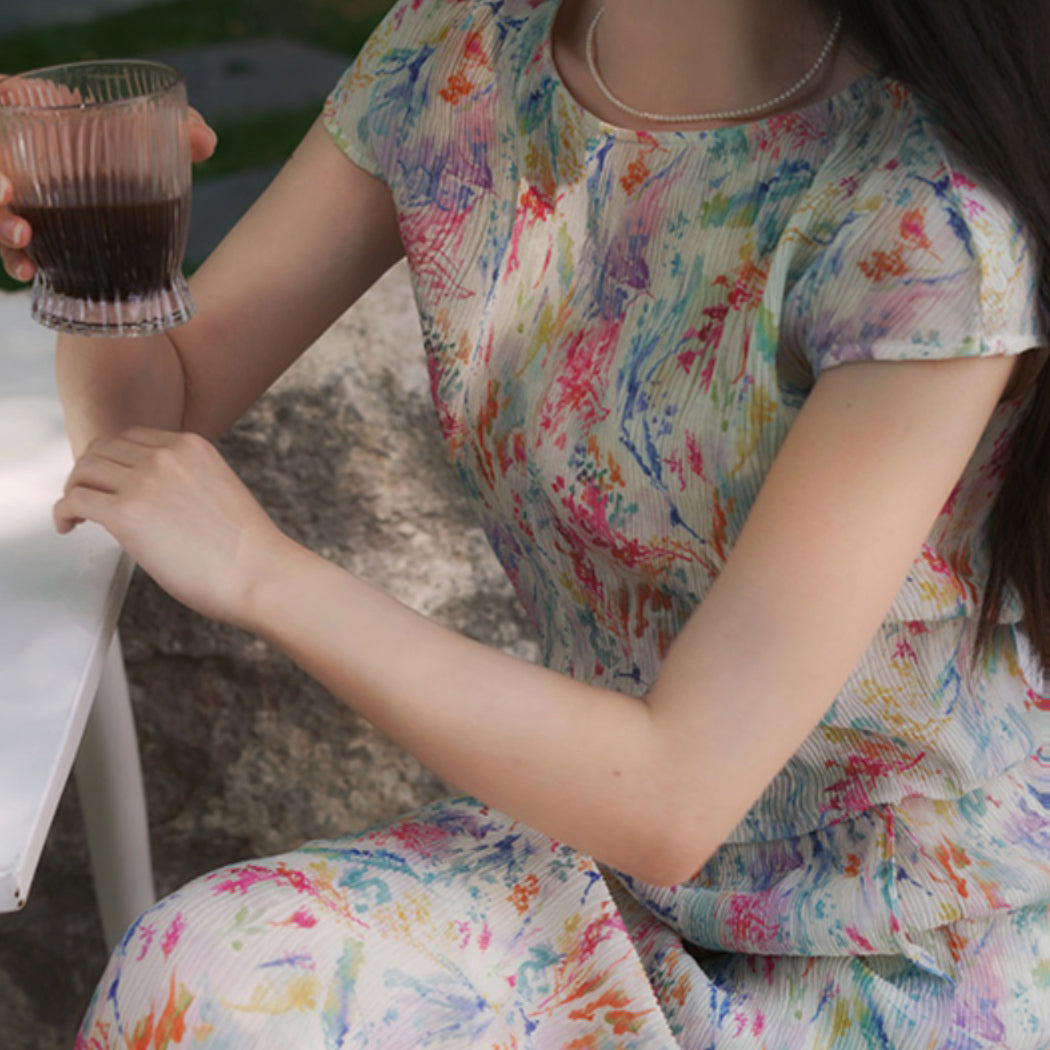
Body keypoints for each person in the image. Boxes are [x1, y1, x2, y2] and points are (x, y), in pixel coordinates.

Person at [3, 0, 1049, 1044]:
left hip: (904, 947)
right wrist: (90, 228)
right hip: (596, 885)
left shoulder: (921, 215)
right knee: (206, 983)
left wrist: (262, 572)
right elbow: (155, 416)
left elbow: (678, 794)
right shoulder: (459, 51)